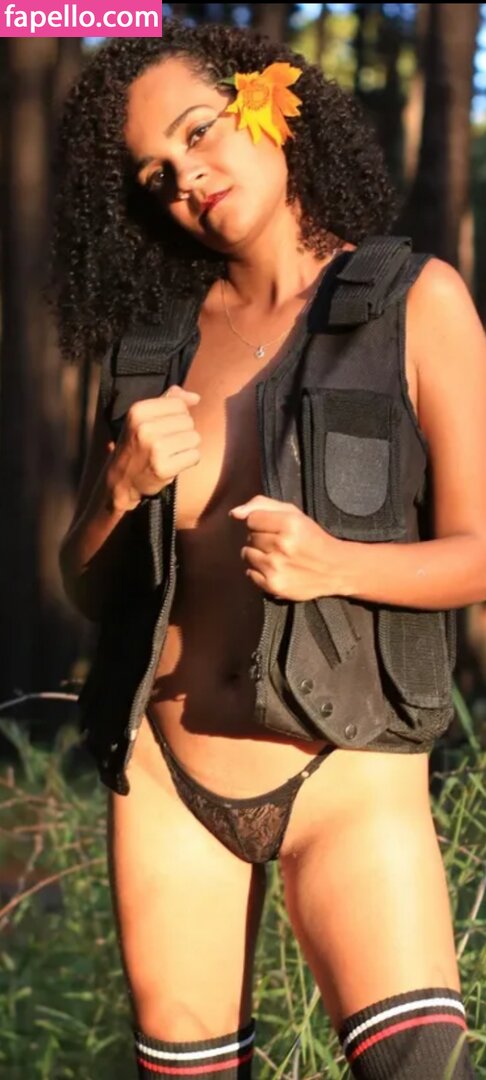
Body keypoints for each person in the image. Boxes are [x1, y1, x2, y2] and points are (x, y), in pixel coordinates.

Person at [51, 20, 485, 1080]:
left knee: (418, 1069)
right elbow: (86, 583)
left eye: (198, 132)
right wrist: (119, 490)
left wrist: (340, 566)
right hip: (167, 786)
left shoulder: (414, 301)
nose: (186, 179)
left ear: (268, 102)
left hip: (350, 776)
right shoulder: (154, 344)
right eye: (155, 175)